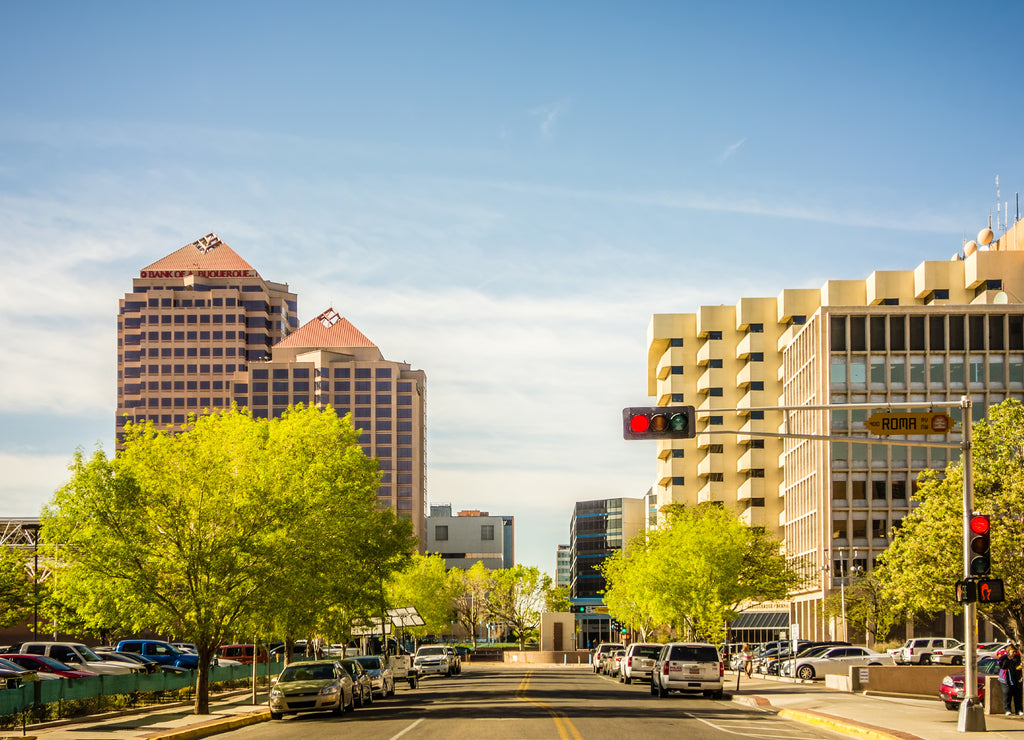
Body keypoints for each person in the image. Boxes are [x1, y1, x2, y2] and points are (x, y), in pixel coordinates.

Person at [999, 644, 1023, 715]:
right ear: (1009, 651)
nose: (1014, 653)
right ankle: (1007, 710)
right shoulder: (1004, 658)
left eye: (1015, 652)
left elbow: (1018, 667)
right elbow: (1002, 666)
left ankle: (1019, 710)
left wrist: (1019, 667)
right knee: (1007, 694)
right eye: (1013, 651)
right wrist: (1008, 660)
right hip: (1005, 679)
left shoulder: (1017, 658)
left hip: (1016, 679)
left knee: (1017, 695)